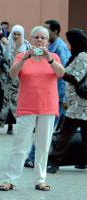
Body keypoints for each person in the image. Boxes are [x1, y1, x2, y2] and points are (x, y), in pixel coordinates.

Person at [0, 26, 64, 192]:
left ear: (47, 41)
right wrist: (23, 59)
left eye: (43, 37)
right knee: (20, 145)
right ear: (31, 39)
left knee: (43, 145)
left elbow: (61, 73)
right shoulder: (22, 55)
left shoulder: (54, 56)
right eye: (36, 37)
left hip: (47, 106)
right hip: (27, 106)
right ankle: (11, 179)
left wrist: (50, 59)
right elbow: (12, 74)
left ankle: (40, 180)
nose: (39, 40)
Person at [24, 19, 71, 168]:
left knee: (49, 130)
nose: (41, 36)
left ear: (55, 32)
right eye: (37, 36)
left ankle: (34, 158)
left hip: (56, 96)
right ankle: (33, 157)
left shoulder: (60, 48)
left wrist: (64, 98)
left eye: (45, 31)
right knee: (46, 129)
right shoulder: (49, 47)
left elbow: (63, 72)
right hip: (44, 95)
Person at [47, 28, 87, 174]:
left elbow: (76, 77)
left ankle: (54, 163)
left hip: (80, 104)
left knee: (65, 134)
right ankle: (82, 162)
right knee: (82, 135)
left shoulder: (83, 56)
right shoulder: (77, 54)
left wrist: (60, 72)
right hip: (76, 102)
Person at [0, 24, 30, 135]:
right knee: (7, 102)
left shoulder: (26, 47)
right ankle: (9, 125)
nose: (16, 36)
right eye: (14, 34)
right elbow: (3, 59)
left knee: (17, 102)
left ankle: (21, 124)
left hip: (21, 80)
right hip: (8, 79)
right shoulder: (8, 44)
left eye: (18, 34)